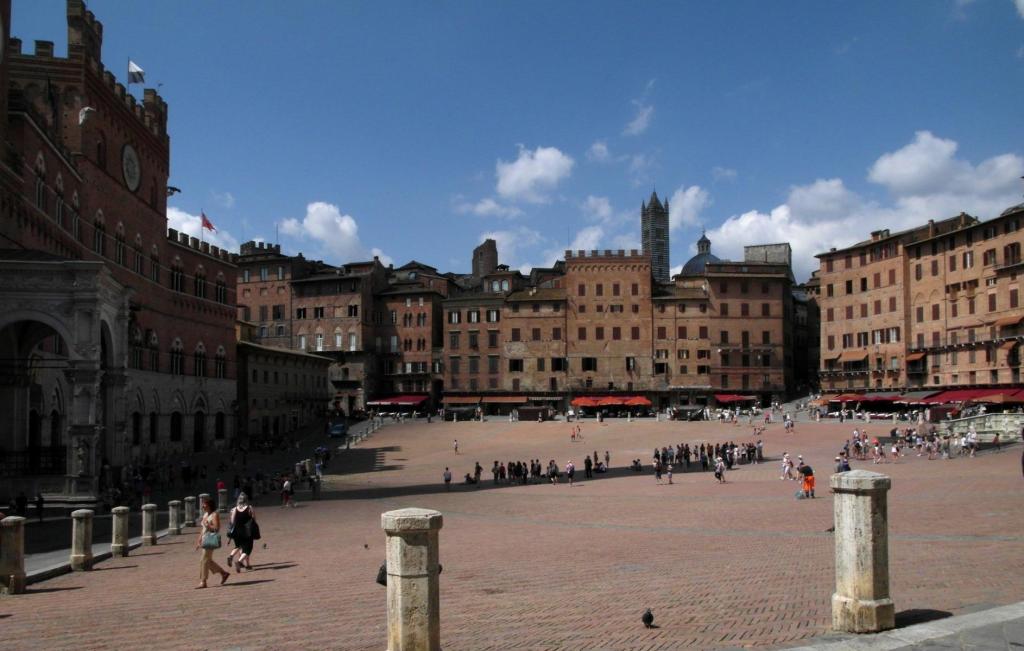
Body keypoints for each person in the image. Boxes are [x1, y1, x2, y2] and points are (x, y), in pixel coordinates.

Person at [195, 496, 229, 588]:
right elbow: (203, 529)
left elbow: (217, 528)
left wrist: (209, 525)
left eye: (204, 505)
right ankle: (223, 573)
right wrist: (199, 540)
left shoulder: (214, 515)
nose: (202, 506)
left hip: (210, 539)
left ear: (209, 505)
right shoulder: (205, 515)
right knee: (207, 561)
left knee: (204, 560)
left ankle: (203, 581)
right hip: (205, 539)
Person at [227, 493, 256, 572]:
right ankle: (239, 562)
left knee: (238, 546)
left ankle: (231, 556)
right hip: (247, 531)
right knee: (247, 549)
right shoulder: (249, 508)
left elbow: (232, 521)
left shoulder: (234, 509)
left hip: (237, 531)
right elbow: (253, 519)